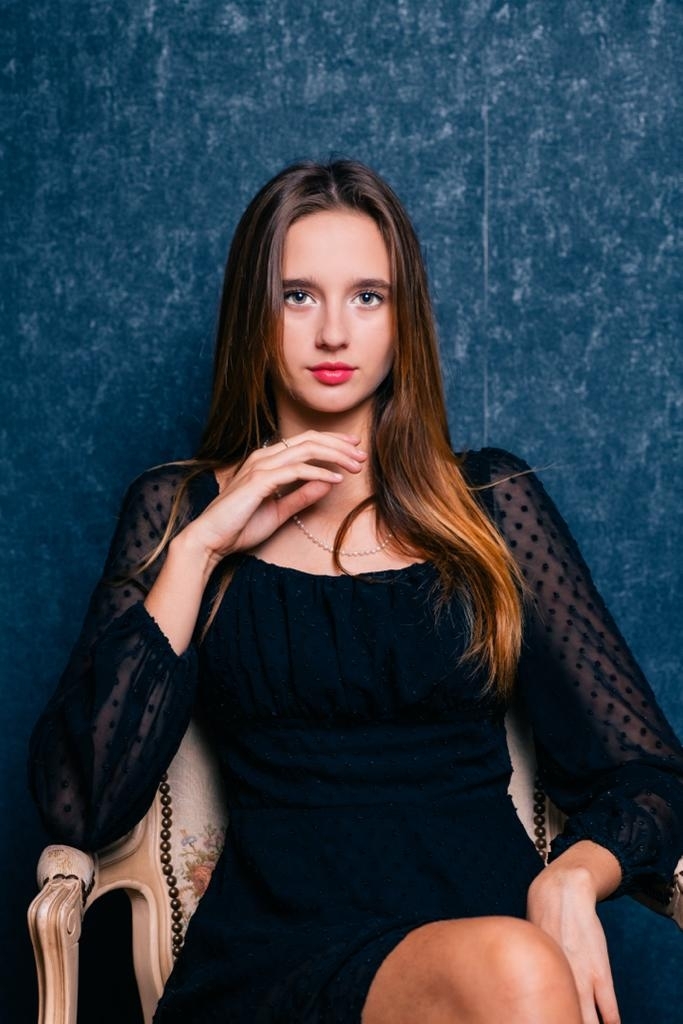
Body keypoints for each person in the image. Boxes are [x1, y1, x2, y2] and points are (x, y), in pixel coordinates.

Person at [29, 159, 683, 1024]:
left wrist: (570, 877)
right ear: (252, 316)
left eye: (367, 297)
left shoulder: (490, 503)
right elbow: (81, 802)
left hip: (492, 945)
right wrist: (202, 548)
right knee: (518, 967)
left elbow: (646, 773)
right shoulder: (179, 510)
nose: (333, 332)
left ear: (403, 320)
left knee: (516, 964)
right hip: (279, 960)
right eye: (297, 296)